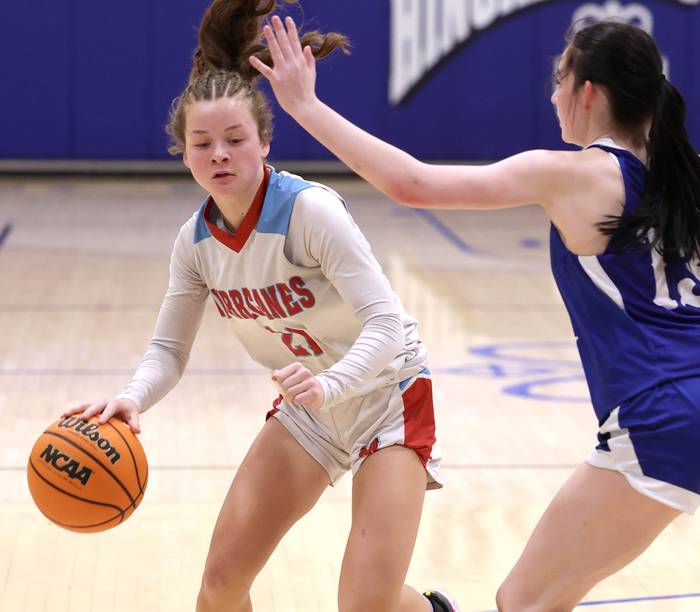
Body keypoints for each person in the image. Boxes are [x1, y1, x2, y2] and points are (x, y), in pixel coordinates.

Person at [250, 16, 700, 611]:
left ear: (589, 91)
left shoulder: (574, 175)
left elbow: (412, 182)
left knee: (525, 601)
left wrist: (304, 106)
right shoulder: (698, 171)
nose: (553, 93)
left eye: (560, 79)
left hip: (668, 412)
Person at [63, 1, 460, 611]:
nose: (219, 154)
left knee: (365, 606)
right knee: (221, 582)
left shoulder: (310, 211)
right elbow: (169, 349)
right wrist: (133, 397)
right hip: (311, 409)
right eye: (203, 143)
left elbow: (386, 323)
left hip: (386, 394)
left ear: (263, 142)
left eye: (234, 139)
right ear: (184, 153)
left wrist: (331, 387)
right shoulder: (195, 243)